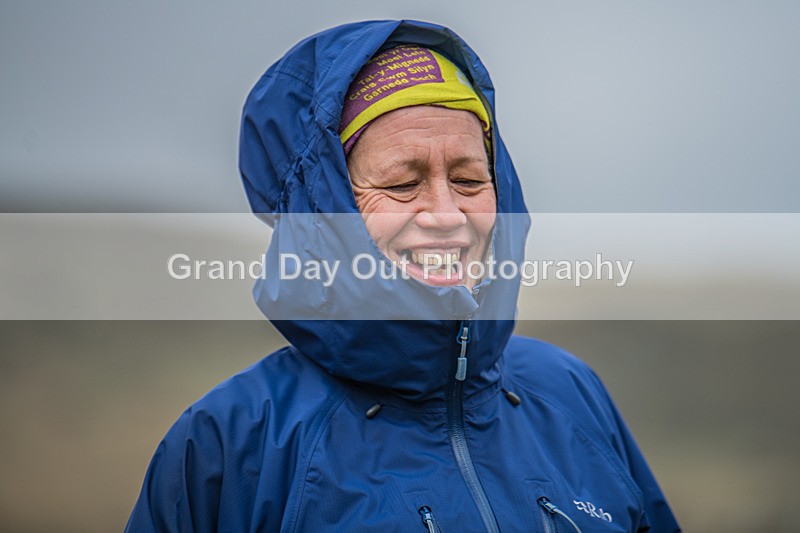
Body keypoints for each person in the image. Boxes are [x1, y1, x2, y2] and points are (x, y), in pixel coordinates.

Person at [127, 20, 680, 532]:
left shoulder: (569, 391)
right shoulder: (231, 444)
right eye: (400, 184)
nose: (446, 215)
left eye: (467, 179)